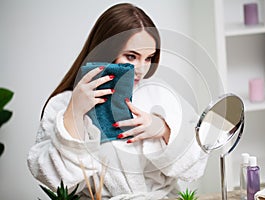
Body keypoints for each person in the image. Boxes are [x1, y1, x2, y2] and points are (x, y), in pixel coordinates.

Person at [27, 3, 208, 199]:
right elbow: (55, 181)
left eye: (149, 58)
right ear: (105, 50)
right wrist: (74, 114)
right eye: (131, 56)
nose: (141, 68)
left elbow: (194, 164)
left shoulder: (160, 93)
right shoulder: (62, 104)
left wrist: (163, 129)